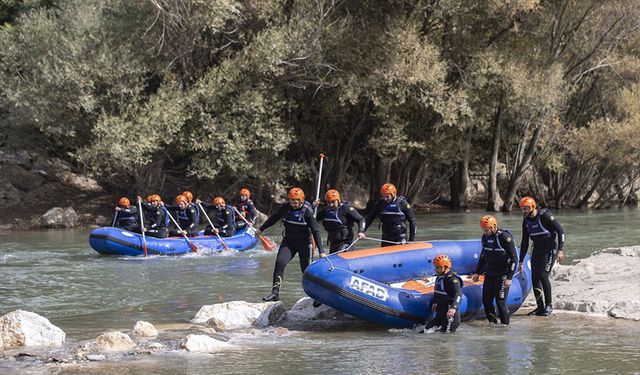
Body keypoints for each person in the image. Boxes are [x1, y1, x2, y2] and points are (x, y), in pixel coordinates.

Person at [256, 187, 325, 302]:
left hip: (304, 244)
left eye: (296, 200)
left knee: (306, 270)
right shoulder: (286, 208)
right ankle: (275, 293)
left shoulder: (307, 211)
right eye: (291, 200)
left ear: (302, 200)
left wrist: (321, 251)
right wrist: (261, 229)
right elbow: (274, 218)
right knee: (280, 263)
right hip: (289, 242)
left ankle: (316, 295)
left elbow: (316, 231)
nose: (293, 203)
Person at [518, 196, 566, 316]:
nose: (524, 211)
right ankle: (540, 307)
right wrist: (520, 260)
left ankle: (549, 305)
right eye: (522, 209)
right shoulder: (526, 221)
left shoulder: (545, 216)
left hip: (549, 249)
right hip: (537, 249)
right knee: (534, 277)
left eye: (525, 209)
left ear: (532, 207)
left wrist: (560, 250)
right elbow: (525, 242)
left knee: (543, 275)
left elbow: (561, 231)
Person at [472, 215, 518, 325]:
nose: (485, 232)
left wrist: (509, 278)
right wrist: (477, 272)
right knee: (486, 300)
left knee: (500, 301)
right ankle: (493, 324)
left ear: (493, 227)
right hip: (490, 272)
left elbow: (514, 258)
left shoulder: (504, 237)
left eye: (486, 230)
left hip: (503, 273)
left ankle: (505, 327)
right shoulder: (484, 238)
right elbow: (483, 256)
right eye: (483, 230)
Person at [312, 189, 366, 253]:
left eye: (333, 202)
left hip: (346, 244)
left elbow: (361, 219)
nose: (331, 205)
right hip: (333, 244)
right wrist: (312, 206)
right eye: (328, 202)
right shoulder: (325, 211)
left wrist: (361, 231)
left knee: (338, 259)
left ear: (338, 201)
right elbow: (312, 219)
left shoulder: (346, 209)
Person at [365, 183, 417, 247]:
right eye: (383, 196)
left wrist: (411, 241)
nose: (385, 199)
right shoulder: (380, 203)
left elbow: (412, 221)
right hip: (386, 238)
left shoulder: (402, 203)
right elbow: (370, 217)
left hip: (400, 238)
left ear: (393, 194)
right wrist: (362, 231)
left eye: (387, 196)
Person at [424, 254, 462, 333]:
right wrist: (435, 302)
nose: (435, 270)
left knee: (445, 340)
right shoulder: (439, 278)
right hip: (440, 315)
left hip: (450, 316)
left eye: (437, 268)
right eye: (435, 267)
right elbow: (438, 292)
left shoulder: (453, 280)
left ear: (445, 267)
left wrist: (453, 308)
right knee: (425, 332)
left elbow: (458, 294)